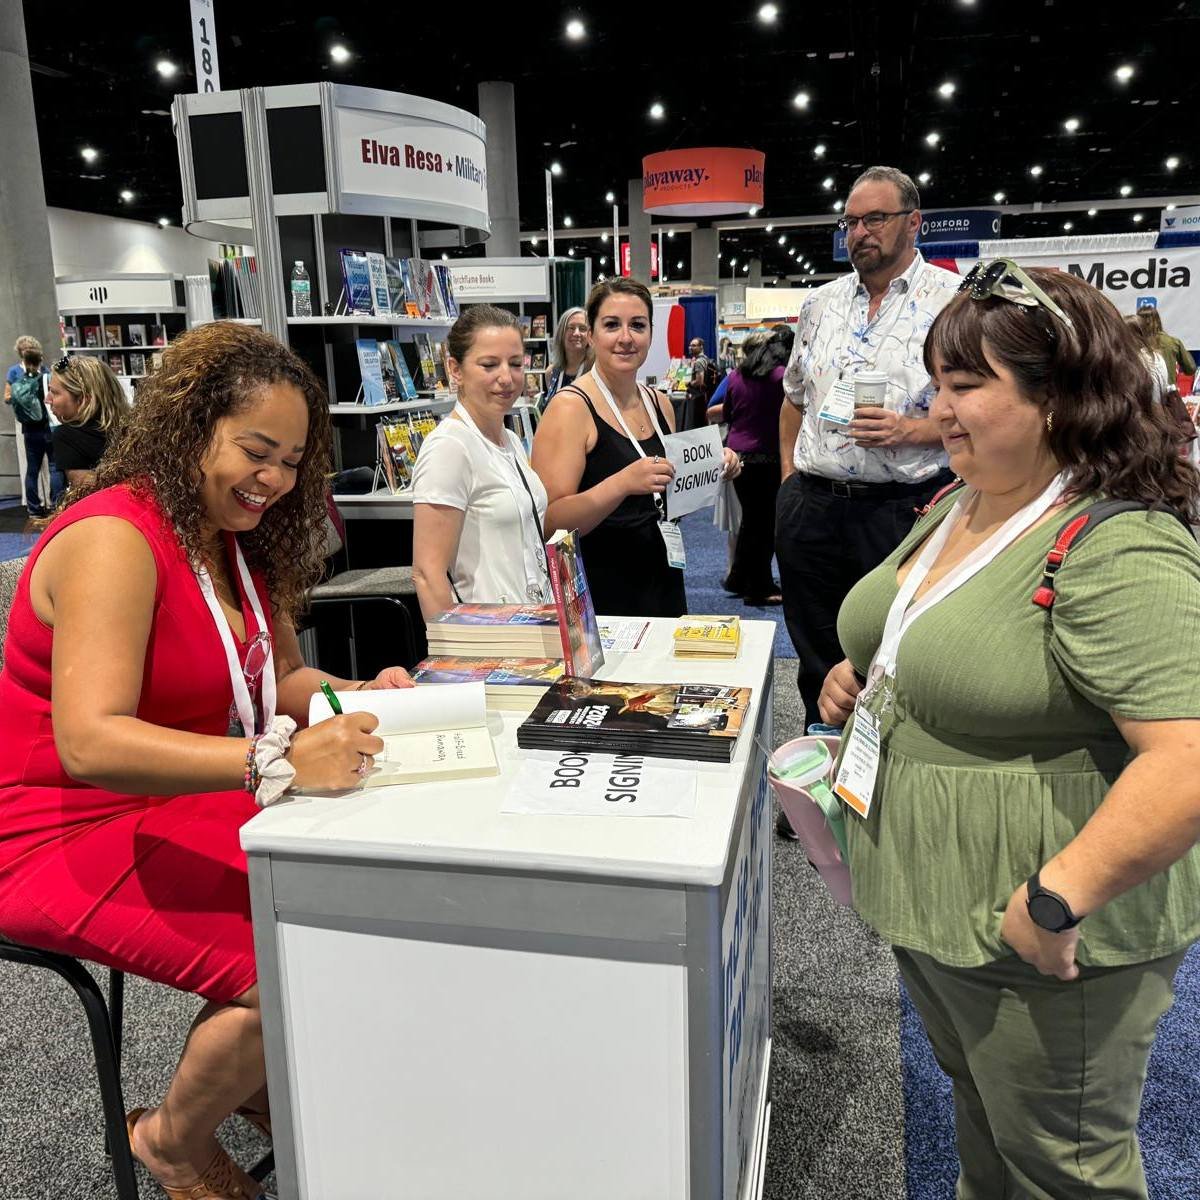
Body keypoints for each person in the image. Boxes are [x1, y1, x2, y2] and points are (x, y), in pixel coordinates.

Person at [0, 321, 413, 1199]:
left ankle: (259, 1084)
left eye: (294, 460)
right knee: (301, 949)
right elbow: (90, 741)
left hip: (177, 800)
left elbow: (284, 675)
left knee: (359, 896)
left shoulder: (227, 537)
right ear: (189, 430)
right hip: (59, 826)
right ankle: (174, 1139)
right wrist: (279, 764)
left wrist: (361, 697)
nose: (275, 479)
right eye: (256, 450)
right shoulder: (114, 537)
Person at [819, 262, 1200, 1200]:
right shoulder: (964, 498)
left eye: (969, 385)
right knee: (988, 1125)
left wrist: (1057, 898)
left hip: (1038, 930)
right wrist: (861, 680)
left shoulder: (1116, 542)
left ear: (1060, 395)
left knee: (1065, 1166)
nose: (940, 410)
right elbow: (930, 631)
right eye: (938, 385)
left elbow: (1187, 757)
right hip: (943, 905)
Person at [776, 165, 958, 724]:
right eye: (851, 221)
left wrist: (915, 431)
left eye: (876, 218)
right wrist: (789, 480)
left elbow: (985, 411)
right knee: (816, 652)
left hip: (905, 509)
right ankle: (817, 779)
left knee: (897, 652)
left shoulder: (954, 303)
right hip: (812, 506)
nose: (860, 232)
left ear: (914, 223)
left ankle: (884, 785)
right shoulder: (819, 304)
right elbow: (795, 398)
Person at [531, 277, 740, 619]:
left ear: (651, 334)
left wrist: (712, 467)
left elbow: (668, 500)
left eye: (637, 325)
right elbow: (550, 523)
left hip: (663, 582)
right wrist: (622, 483)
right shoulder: (570, 408)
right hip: (602, 595)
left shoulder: (659, 403)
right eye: (612, 325)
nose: (626, 338)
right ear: (593, 335)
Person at [412, 304, 550, 620]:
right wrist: (456, 659)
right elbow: (427, 573)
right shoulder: (450, 448)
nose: (506, 377)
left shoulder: (510, 440)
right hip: (489, 639)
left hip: (533, 626)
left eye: (515, 364)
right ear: (455, 369)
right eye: (489, 365)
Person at [716, 327, 793, 605]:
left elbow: (726, 413)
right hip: (768, 457)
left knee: (750, 523)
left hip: (738, 456)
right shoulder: (781, 378)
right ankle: (758, 587)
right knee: (764, 526)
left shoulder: (736, 376)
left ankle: (739, 577)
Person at [45, 353, 129, 491]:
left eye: (54, 392)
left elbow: (85, 493)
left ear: (84, 400)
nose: (48, 399)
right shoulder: (132, 428)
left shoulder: (65, 435)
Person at [4, 335, 57, 517]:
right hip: (47, 424)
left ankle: (34, 508)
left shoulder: (13, 373)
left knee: (32, 469)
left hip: (27, 427)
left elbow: (7, 398)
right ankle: (55, 504)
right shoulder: (46, 372)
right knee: (53, 466)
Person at [1136, 306, 1195, 388]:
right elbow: (1190, 369)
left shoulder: (1133, 343)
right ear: (1158, 320)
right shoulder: (1173, 342)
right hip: (1168, 394)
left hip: (1144, 394)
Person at [543, 306, 592, 402]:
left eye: (582, 328)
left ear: (589, 335)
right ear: (561, 333)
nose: (577, 333)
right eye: (571, 328)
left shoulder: (596, 371)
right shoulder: (551, 372)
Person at [684, 335, 717, 430]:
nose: (690, 348)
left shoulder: (699, 362)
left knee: (698, 424)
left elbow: (699, 381)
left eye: (694, 345)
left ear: (701, 347)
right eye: (690, 345)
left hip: (699, 397)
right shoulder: (706, 359)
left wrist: (689, 384)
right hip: (706, 395)